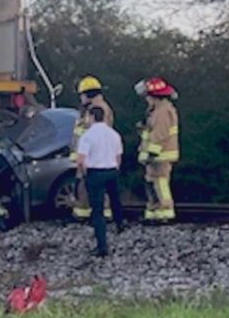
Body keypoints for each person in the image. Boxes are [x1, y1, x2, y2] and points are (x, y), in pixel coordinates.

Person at [75, 106, 125, 257]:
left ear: (91, 117)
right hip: (111, 171)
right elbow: (118, 157)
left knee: (97, 212)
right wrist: (116, 169)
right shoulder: (114, 134)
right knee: (115, 199)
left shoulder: (87, 136)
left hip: (95, 173)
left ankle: (102, 246)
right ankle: (120, 223)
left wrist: (84, 175)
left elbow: (81, 160)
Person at [134, 77, 180, 223]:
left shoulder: (163, 112)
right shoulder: (157, 111)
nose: (146, 99)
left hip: (160, 155)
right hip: (156, 155)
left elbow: (160, 134)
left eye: (148, 96)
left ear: (155, 97)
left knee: (160, 182)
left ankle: (165, 212)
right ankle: (154, 212)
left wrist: (151, 153)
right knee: (152, 182)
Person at [70, 76, 115, 222]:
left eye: (82, 94)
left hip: (93, 155)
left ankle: (102, 213)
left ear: (89, 94)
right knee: (83, 184)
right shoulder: (90, 109)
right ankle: (83, 212)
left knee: (95, 185)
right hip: (86, 154)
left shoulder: (98, 109)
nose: (81, 98)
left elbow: (95, 133)